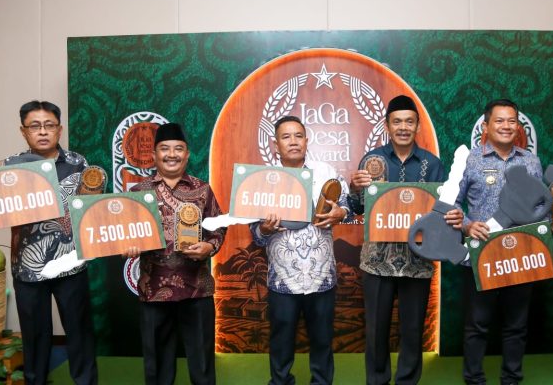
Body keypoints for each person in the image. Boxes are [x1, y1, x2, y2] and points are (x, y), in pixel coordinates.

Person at [0, 100, 98, 385]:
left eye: (49, 125)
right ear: (23, 131)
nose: (43, 131)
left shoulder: (78, 163)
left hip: (71, 264)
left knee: (79, 331)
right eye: (35, 126)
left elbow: (92, 208)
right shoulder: (9, 166)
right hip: (28, 268)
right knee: (35, 337)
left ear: (59, 129)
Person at [350, 95, 462, 384]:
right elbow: (359, 207)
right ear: (387, 125)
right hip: (377, 261)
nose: (403, 127)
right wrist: (355, 188)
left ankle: (407, 380)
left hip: (418, 260)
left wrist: (452, 214)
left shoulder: (432, 164)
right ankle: (377, 380)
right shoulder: (372, 160)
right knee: (376, 329)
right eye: (397, 121)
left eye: (409, 122)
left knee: (412, 330)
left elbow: (443, 209)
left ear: (417, 126)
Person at [249, 115, 352, 385]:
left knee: (323, 339)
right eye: (286, 137)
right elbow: (255, 235)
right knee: (281, 340)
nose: (293, 142)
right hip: (283, 279)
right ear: (275, 145)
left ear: (306, 141)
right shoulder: (262, 180)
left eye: (298, 136)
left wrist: (341, 212)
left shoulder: (326, 172)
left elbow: (348, 207)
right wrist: (265, 229)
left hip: (321, 276)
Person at [124, 123, 226, 385]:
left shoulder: (202, 190)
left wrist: (209, 247)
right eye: (165, 149)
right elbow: (125, 234)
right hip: (154, 289)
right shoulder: (138, 193)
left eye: (178, 149)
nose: (172, 154)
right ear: (154, 155)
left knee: (202, 365)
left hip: (197, 289)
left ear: (187, 154)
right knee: (157, 365)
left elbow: (218, 228)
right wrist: (129, 247)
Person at [454, 99, 543, 385]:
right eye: (500, 121)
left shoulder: (530, 161)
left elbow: (540, 205)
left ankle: (511, 379)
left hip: (521, 255)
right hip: (481, 255)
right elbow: (452, 204)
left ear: (518, 126)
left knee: (516, 325)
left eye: (511, 121)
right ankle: (474, 379)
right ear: (486, 126)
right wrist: (467, 226)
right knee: (477, 324)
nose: (506, 126)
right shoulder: (471, 160)